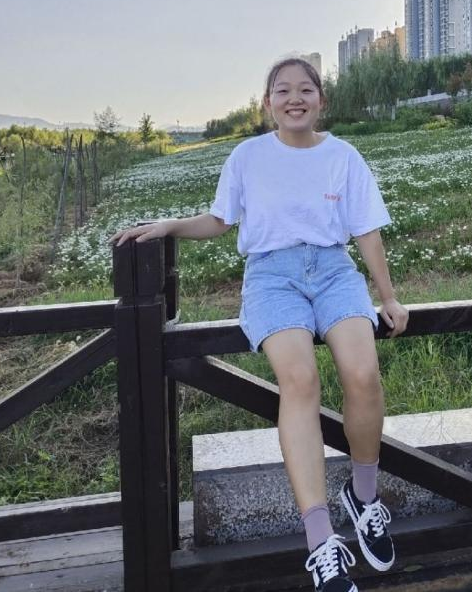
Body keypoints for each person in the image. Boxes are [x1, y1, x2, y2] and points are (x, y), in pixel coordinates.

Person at [111, 57, 409, 592]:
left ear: (321, 100)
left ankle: (364, 498)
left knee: (363, 374)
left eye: (306, 89)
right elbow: (220, 219)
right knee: (300, 381)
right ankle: (320, 540)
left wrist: (388, 297)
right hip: (272, 276)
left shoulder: (343, 156)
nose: (295, 98)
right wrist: (169, 225)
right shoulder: (248, 155)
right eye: (283, 90)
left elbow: (366, 230)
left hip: (334, 270)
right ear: (268, 103)